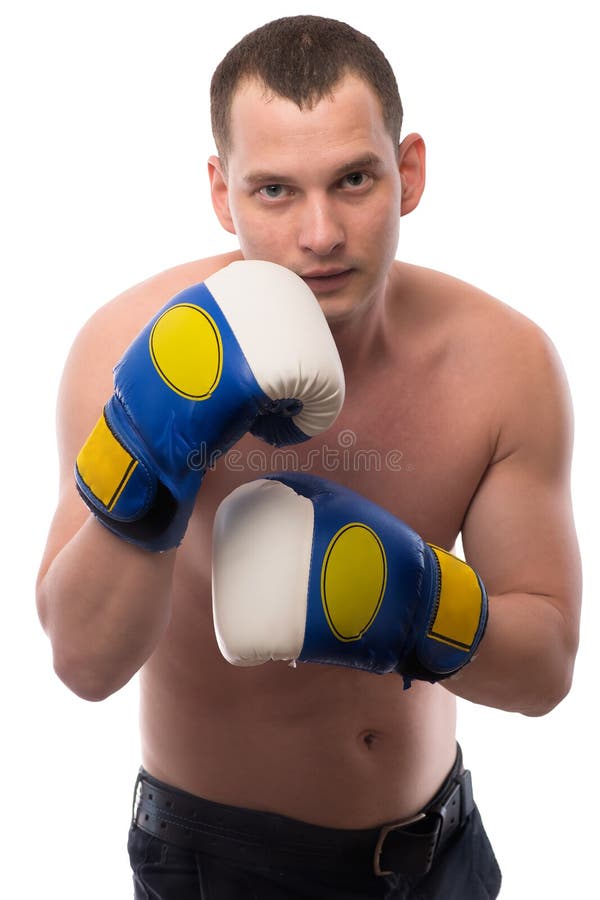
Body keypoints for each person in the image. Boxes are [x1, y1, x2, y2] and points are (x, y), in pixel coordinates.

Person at [35, 14, 581, 899]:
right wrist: (154, 446)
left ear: (409, 173)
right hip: (211, 863)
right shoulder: (127, 349)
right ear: (223, 192)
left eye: (354, 179)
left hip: (440, 853)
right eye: (276, 191)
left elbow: (546, 671)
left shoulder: (502, 365)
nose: (320, 233)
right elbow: (83, 663)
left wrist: (409, 598)